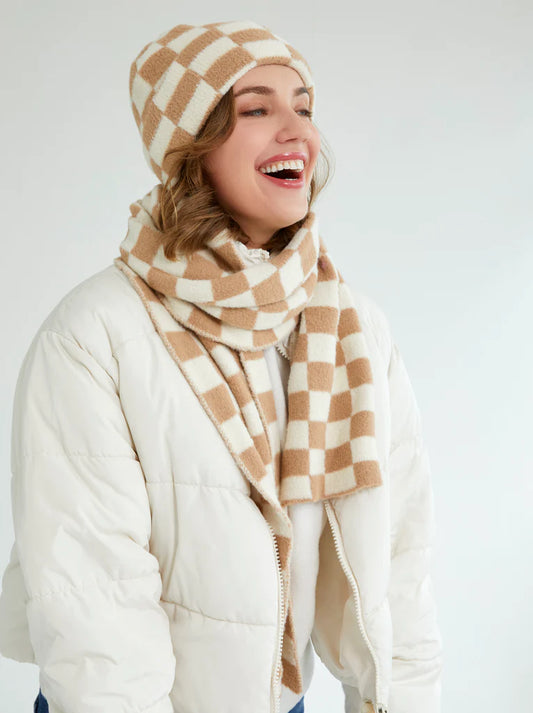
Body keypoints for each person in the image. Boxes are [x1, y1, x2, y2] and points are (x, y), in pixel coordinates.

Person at [0, 19, 442, 713]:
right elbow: (95, 598)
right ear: (189, 146)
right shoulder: (94, 333)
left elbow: (398, 556)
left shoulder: (353, 328)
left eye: (303, 106)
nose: (297, 132)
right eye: (256, 109)